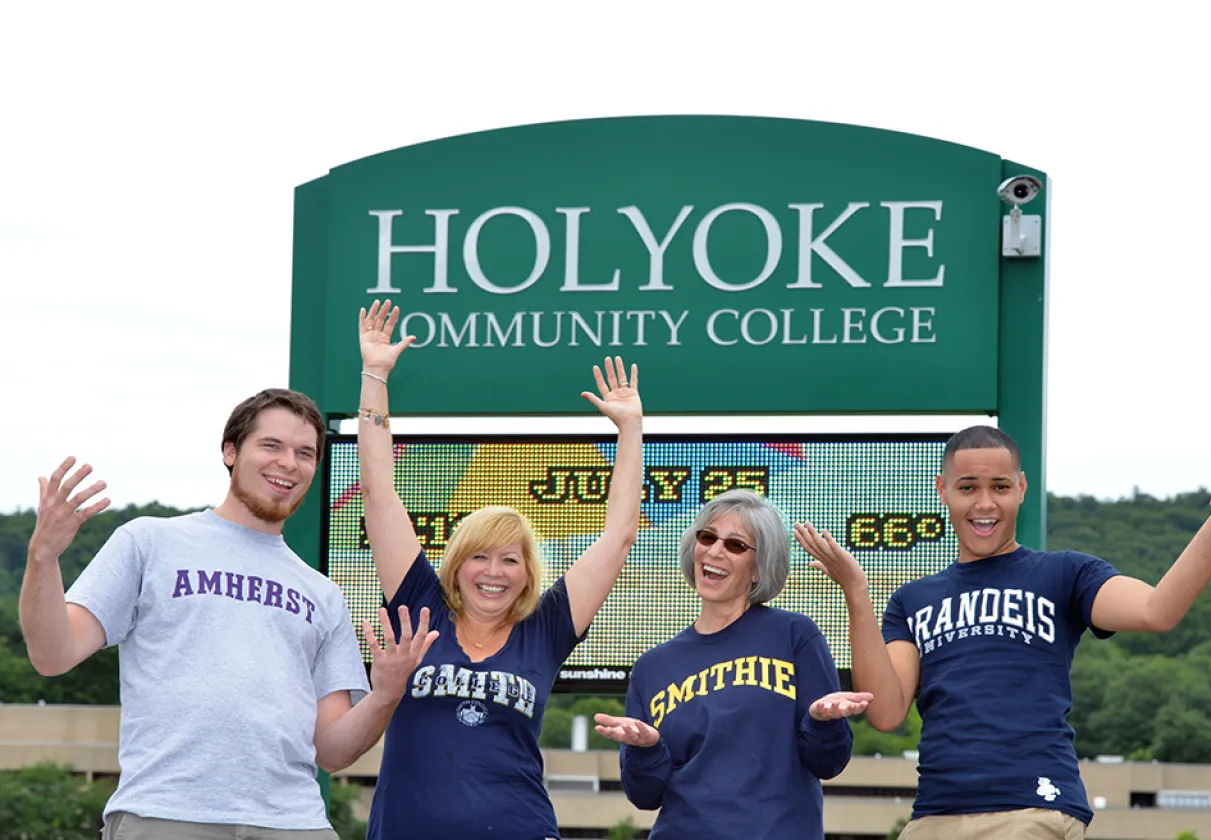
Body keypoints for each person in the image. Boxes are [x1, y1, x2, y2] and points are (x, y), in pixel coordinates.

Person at [794, 414, 1211, 840]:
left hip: (1033, 809)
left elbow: (1157, 610)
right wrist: (856, 591)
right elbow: (887, 713)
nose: (985, 503)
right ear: (942, 490)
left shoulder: (1064, 574)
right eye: (968, 487)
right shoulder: (912, 600)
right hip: (934, 815)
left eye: (1000, 487)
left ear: (1021, 487)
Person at [19, 388, 439, 840]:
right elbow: (52, 653)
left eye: (304, 453)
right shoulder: (149, 542)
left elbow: (333, 751)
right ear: (230, 451)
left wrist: (385, 695)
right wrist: (43, 558)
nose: (288, 463)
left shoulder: (324, 595)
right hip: (166, 815)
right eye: (271, 446)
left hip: (294, 824)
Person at [354, 300, 644, 840]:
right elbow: (377, 492)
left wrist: (629, 429)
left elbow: (619, 535)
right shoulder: (420, 603)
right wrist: (375, 374)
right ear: (456, 565)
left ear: (528, 574)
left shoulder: (547, 627)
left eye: (511, 559)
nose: (494, 571)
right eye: (479, 556)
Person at [592, 488, 874, 839]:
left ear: (759, 569)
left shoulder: (794, 635)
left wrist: (822, 723)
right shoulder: (652, 667)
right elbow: (645, 795)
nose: (714, 551)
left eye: (735, 545)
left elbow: (828, 763)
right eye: (707, 537)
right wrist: (647, 749)